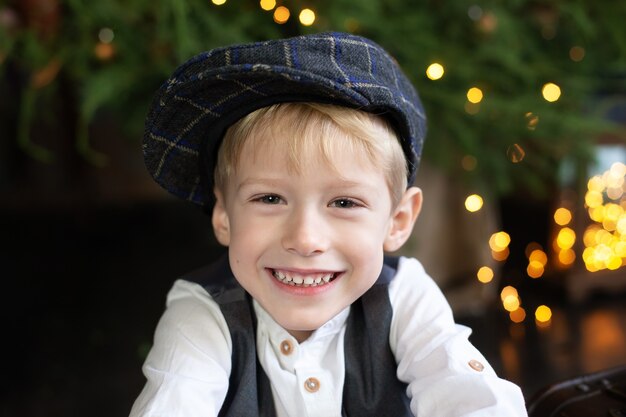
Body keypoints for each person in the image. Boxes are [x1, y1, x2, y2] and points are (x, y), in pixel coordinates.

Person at [130, 32, 528, 416]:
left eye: (344, 202)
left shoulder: (405, 298)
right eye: (270, 198)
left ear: (397, 220)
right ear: (224, 217)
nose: (305, 240)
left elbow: (469, 394)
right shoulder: (203, 315)